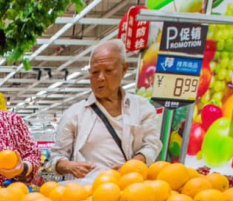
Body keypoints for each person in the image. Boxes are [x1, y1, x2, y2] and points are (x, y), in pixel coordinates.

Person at [49, 40, 162, 180]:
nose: (100, 78)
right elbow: (57, 156)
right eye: (95, 72)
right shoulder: (75, 114)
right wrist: (69, 166)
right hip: (82, 195)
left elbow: (152, 145)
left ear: (124, 69)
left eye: (108, 71)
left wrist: (134, 165)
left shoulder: (142, 109)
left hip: (128, 190)